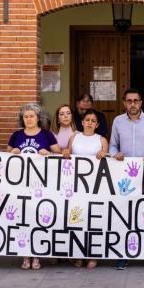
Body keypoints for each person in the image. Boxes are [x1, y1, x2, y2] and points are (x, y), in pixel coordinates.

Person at [109, 88, 144, 270]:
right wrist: (114, 154)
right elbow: (112, 144)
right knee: (125, 216)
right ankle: (124, 255)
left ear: (141, 103)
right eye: (129, 101)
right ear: (124, 103)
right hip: (125, 176)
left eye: (136, 100)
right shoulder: (118, 121)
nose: (132, 104)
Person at [8, 102, 62, 270]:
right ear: (22, 119)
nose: (29, 119)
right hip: (22, 185)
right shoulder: (16, 136)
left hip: (42, 185)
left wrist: (50, 153)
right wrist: (13, 152)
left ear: (38, 118)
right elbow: (5, 157)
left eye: (32, 116)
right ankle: (26, 255)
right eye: (26, 117)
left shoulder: (47, 135)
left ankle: (37, 255)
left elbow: (59, 154)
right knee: (23, 219)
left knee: (39, 219)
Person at [62, 108, 108, 269]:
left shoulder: (102, 139)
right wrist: (66, 151)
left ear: (97, 125)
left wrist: (104, 154)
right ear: (82, 122)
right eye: (87, 120)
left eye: (93, 121)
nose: (89, 123)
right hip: (75, 187)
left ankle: (92, 255)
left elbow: (107, 162)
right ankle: (78, 254)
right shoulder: (74, 137)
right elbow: (67, 154)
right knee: (76, 220)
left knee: (93, 221)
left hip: (95, 187)